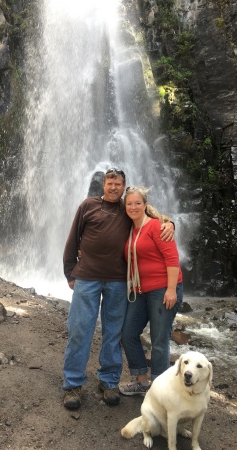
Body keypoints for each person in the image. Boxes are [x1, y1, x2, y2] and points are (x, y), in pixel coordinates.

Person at [62, 168, 174, 410]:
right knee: (80, 329)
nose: (114, 187)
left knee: (113, 333)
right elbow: (72, 239)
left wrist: (170, 223)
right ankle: (73, 384)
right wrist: (70, 272)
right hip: (87, 277)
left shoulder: (128, 208)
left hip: (118, 281)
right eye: (110, 183)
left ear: (124, 186)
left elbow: (154, 218)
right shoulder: (87, 205)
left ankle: (109, 381)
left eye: (118, 184)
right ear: (103, 185)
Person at [119, 186, 183, 396]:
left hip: (162, 290)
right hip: (140, 291)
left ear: (145, 205)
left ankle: (159, 390)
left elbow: (172, 258)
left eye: (138, 203)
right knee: (128, 333)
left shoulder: (157, 227)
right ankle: (142, 381)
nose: (133, 207)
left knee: (159, 339)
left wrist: (171, 290)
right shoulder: (129, 229)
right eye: (129, 203)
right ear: (125, 206)